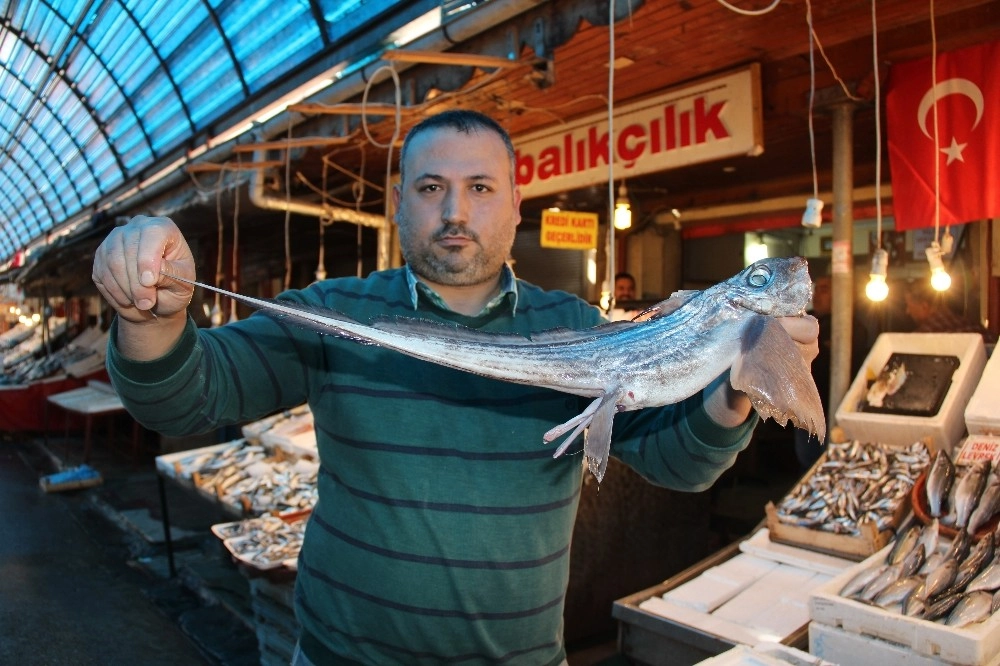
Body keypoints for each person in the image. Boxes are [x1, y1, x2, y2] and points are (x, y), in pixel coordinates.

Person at [92, 110, 818, 666]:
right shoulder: (336, 313)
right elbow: (183, 399)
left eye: (479, 188)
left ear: (515, 204)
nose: (454, 213)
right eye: (432, 188)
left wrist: (743, 377)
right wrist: (150, 314)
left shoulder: (576, 329)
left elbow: (683, 464)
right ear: (399, 201)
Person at [793, 274, 867, 469]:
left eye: (824, 290)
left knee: (832, 463)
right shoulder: (805, 320)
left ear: (840, 295)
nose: (817, 295)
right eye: (816, 289)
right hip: (805, 408)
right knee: (807, 463)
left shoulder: (852, 327)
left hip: (834, 408)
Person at [903, 279, 992, 339]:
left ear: (924, 306)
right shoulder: (973, 326)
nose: (908, 311)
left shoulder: (921, 337)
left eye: (909, 305)